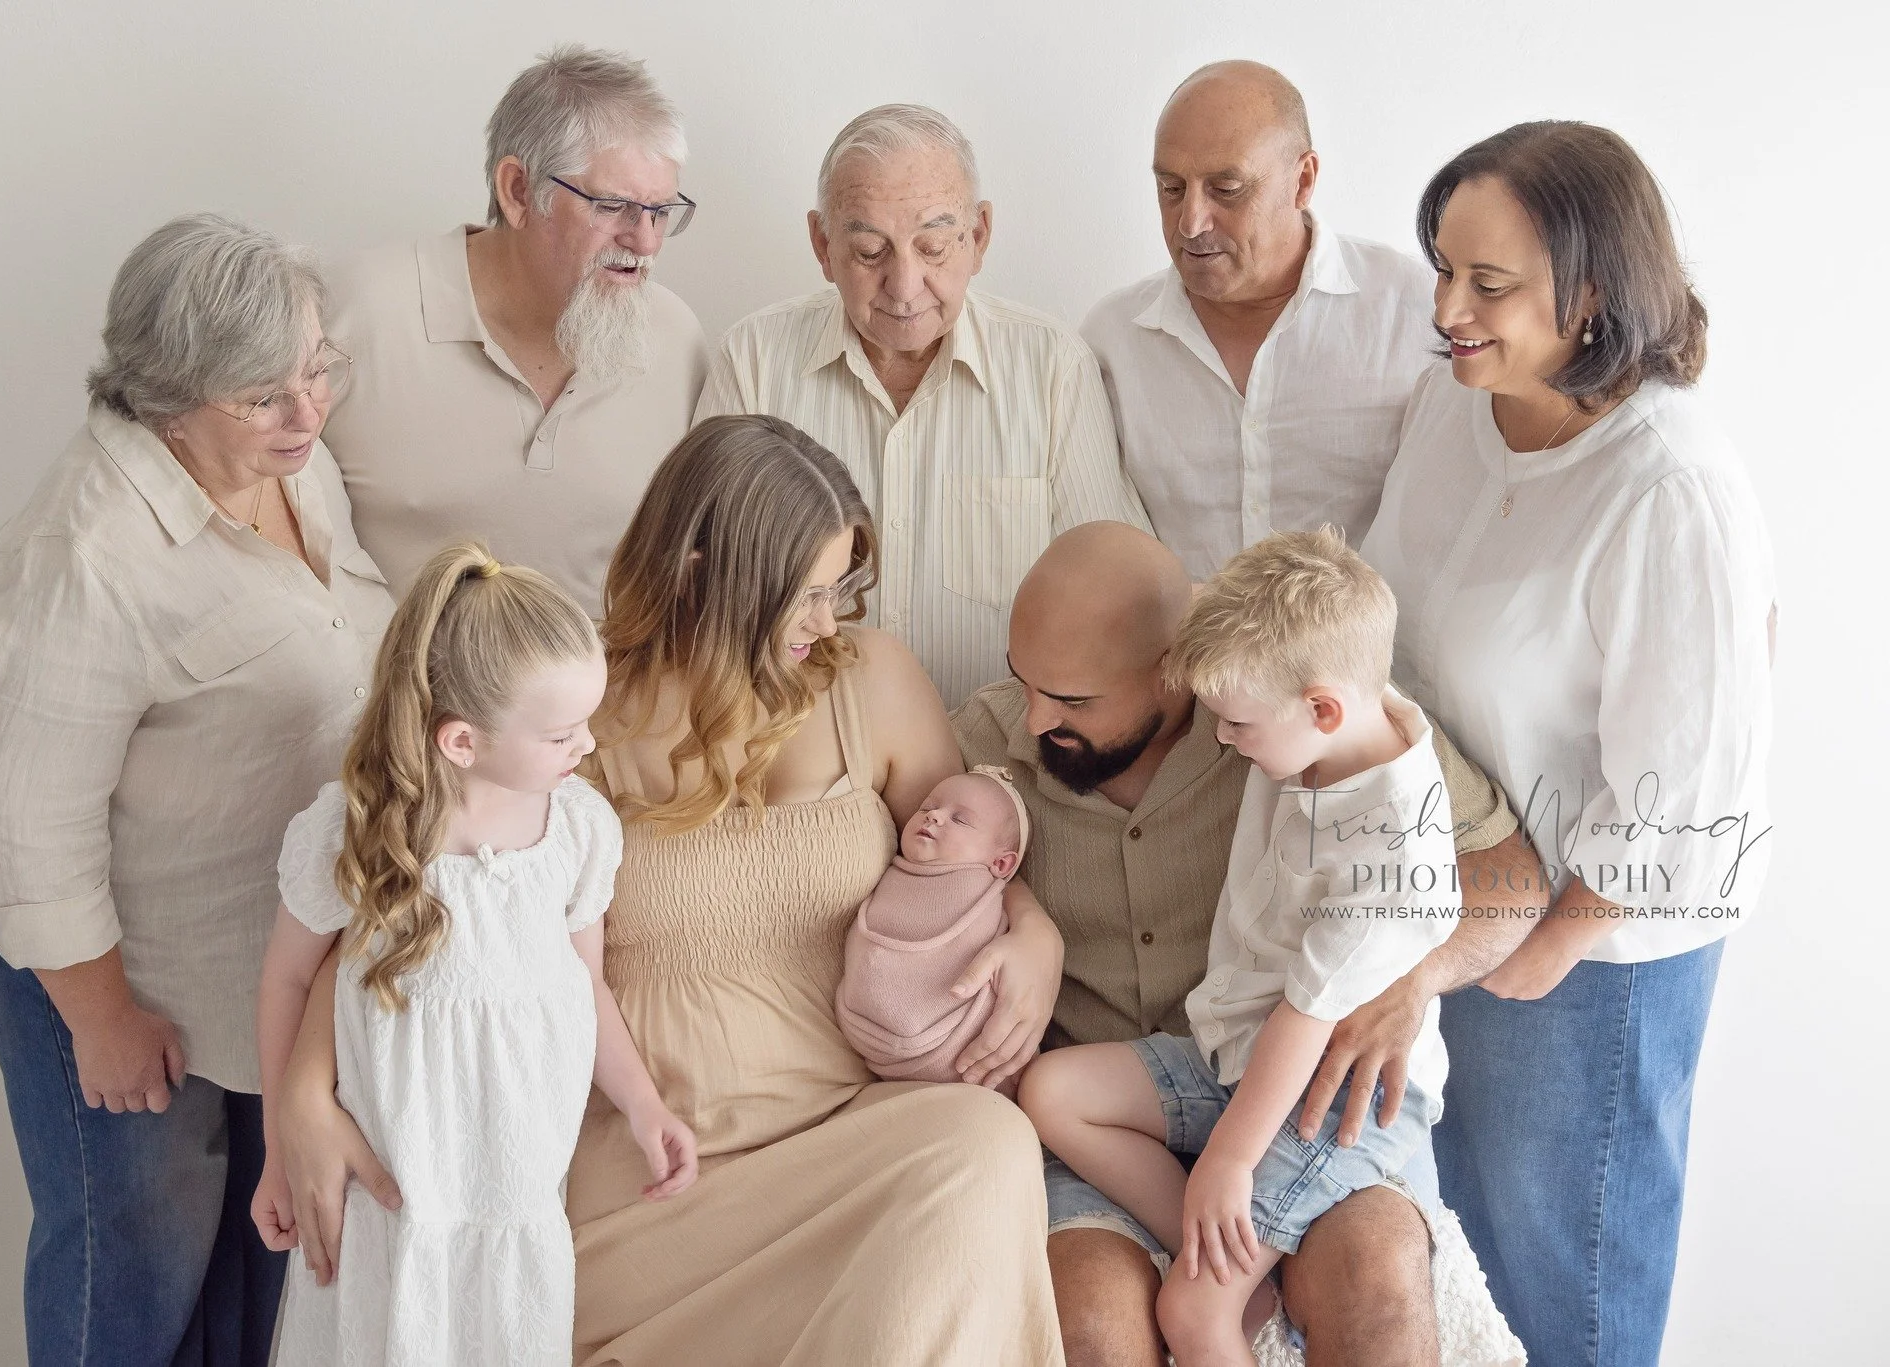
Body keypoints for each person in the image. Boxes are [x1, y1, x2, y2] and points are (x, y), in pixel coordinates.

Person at [273, 414, 1069, 1364]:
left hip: (851, 1135)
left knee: (984, 1146)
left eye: (839, 588)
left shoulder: (874, 683)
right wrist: (302, 1098)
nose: (829, 621)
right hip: (654, 1169)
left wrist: (1036, 934)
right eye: (804, 596)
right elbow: (416, 914)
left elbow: (974, 854)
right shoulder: (570, 717)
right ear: (703, 572)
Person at [0, 213, 396, 1365]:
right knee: (133, 1278)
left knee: (252, 1279)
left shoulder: (288, 461)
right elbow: (24, 822)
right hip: (111, 982)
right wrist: (102, 1020)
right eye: (264, 396)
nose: (307, 412)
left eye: (314, 369)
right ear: (164, 395)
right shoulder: (91, 551)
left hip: (244, 956)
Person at [1360, 121, 1777, 1367]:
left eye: (1487, 286)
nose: (1445, 309)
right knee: (1463, 1292)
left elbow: (1691, 787)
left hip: (1586, 955)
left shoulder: (1666, 487)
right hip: (1451, 905)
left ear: (1591, 296)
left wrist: (1541, 952)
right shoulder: (1456, 404)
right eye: (1441, 268)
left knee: (1562, 1301)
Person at [954, 521, 1544, 1367]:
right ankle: (1229, 1255)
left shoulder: (1293, 704)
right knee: (1092, 1326)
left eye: (1073, 699)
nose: (1036, 716)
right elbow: (900, 824)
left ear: (1172, 672)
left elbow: (1510, 876)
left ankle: (1226, 1262)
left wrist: (1408, 978)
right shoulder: (996, 729)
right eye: (1026, 683)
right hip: (1180, 1074)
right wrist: (1026, 917)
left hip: (1314, 1092)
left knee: (1372, 1292)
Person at [253, 544, 697, 1364]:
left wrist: (643, 1103)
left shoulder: (575, 827)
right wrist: (282, 1144)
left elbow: (585, 979)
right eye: (563, 732)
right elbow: (288, 977)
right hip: (384, 1197)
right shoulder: (351, 832)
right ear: (461, 740)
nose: (587, 745)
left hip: (515, 1194)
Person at [696, 103, 1150, 703]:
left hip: (1005, 761)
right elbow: (703, 588)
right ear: (822, 244)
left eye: (933, 247)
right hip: (799, 759)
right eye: (869, 253)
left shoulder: (1052, 368)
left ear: (979, 236)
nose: (904, 287)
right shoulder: (752, 361)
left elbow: (1117, 596)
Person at [321, 44, 707, 602]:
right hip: (392, 683)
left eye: (661, 212)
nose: (645, 241)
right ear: (518, 191)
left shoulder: (677, 339)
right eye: (612, 206)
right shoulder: (353, 311)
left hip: (609, 685)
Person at [1083, 61, 1435, 580]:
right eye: (1171, 187)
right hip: (1175, 661)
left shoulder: (1415, 313)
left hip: (1370, 661)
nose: (1191, 222)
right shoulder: (1111, 339)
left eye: (1227, 189)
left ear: (1303, 180)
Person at [835, 766, 1028, 1087]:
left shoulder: (982, 890)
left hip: (961, 1050)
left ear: (1001, 864)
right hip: (869, 1038)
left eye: (960, 820)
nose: (934, 816)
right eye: (927, 807)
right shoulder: (888, 873)